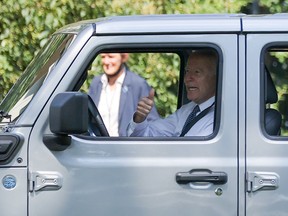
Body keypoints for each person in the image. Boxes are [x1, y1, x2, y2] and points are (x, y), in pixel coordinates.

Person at [128, 49, 218, 137]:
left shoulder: (220, 117)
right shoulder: (187, 110)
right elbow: (148, 135)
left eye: (197, 72)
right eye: (187, 71)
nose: (187, 79)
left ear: (216, 78)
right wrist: (140, 118)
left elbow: (192, 150)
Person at [89, 52, 159, 136]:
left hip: (125, 146)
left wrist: (139, 120)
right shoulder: (96, 83)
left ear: (124, 57)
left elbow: (153, 123)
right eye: (103, 57)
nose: (106, 62)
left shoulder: (138, 84)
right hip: (97, 145)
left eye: (111, 57)